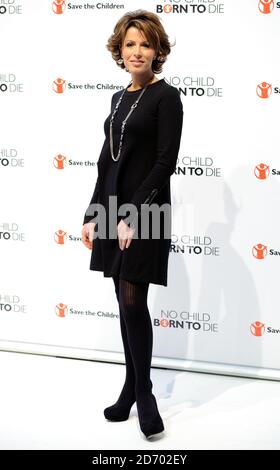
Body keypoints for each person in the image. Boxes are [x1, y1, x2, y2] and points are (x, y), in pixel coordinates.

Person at [82, 9, 183, 439]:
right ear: (119, 51)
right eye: (129, 44)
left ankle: (144, 394)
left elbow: (165, 163)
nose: (136, 51)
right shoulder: (118, 98)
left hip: (146, 209)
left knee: (132, 301)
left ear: (157, 50)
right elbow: (108, 160)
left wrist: (132, 215)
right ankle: (129, 388)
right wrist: (92, 212)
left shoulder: (167, 97)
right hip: (111, 205)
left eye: (144, 43)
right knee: (121, 301)